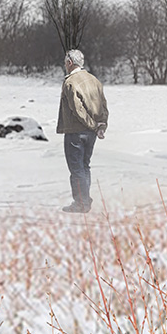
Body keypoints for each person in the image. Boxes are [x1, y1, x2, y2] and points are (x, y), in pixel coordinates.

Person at [55, 48, 108, 213]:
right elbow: (103, 106)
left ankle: (81, 203)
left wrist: (91, 124)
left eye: (65, 62)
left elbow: (77, 109)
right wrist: (101, 125)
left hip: (75, 131)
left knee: (76, 168)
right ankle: (85, 200)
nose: (65, 65)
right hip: (91, 133)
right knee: (85, 166)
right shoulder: (94, 80)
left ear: (70, 63)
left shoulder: (70, 82)